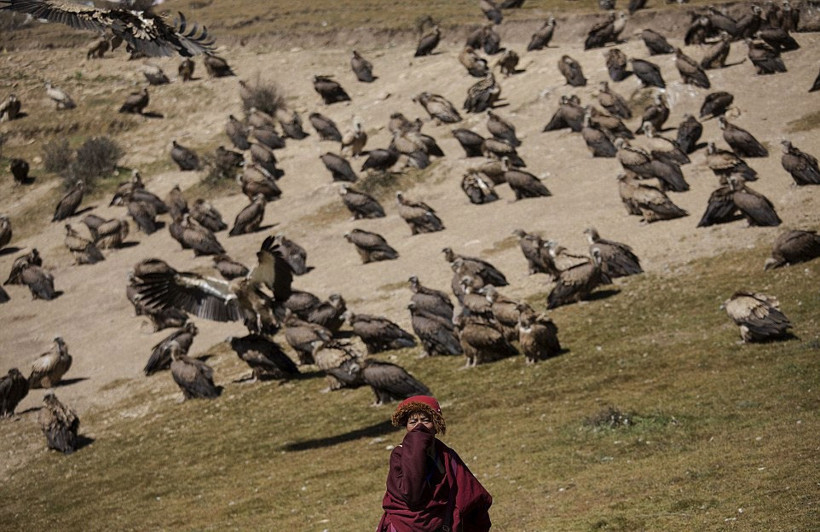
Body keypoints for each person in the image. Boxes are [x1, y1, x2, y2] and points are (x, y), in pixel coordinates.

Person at [377, 395, 493, 532]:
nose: (419, 427)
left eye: (425, 420)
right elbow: (413, 496)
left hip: (441, 525)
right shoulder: (399, 455)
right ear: (406, 426)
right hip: (403, 526)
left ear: (436, 426)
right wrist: (416, 448)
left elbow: (471, 494)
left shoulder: (446, 455)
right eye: (413, 422)